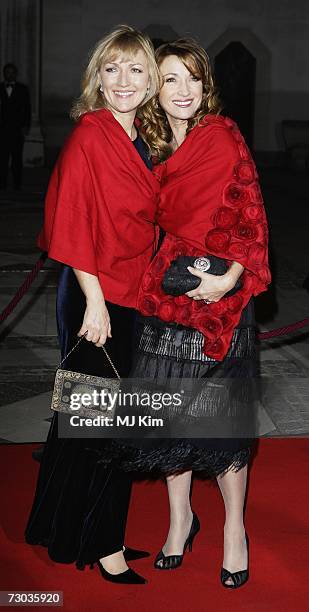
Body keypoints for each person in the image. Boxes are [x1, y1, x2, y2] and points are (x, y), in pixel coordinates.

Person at [105, 38, 271, 588]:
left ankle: (232, 530)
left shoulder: (221, 137)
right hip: (165, 294)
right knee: (170, 411)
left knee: (221, 419)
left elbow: (251, 212)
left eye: (191, 79)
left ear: (206, 87)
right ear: (157, 84)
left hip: (222, 293)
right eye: (170, 78)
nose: (181, 90)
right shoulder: (147, 143)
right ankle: (180, 521)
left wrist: (229, 278)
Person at [25, 25, 160, 585]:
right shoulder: (90, 135)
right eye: (112, 69)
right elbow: (73, 222)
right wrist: (97, 304)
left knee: (86, 421)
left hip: (133, 291)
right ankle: (103, 545)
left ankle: (58, 527)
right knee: (103, 425)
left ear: (151, 79)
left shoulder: (147, 140)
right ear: (97, 78)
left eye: (135, 69)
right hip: (94, 296)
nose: (123, 80)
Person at [0, 63, 31, 190]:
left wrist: (26, 126)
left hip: (17, 129)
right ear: (4, 74)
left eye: (12, 72)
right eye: (8, 72)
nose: (10, 74)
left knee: (17, 158)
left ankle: (17, 184)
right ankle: (2, 183)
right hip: (2, 129)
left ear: (15, 74)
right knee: (2, 158)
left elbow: (27, 109)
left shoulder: (23, 89)